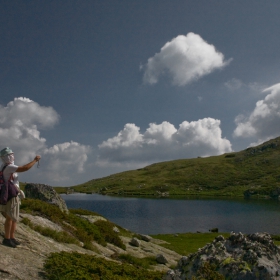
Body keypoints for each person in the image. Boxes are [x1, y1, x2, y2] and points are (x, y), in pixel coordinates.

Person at [0, 147, 41, 248]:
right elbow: (25, 168)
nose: (12, 156)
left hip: (12, 194)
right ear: (5, 157)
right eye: (10, 155)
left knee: (14, 218)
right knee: (10, 217)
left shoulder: (4, 166)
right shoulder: (9, 167)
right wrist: (35, 160)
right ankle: (7, 238)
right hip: (12, 196)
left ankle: (12, 237)